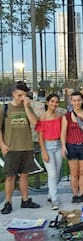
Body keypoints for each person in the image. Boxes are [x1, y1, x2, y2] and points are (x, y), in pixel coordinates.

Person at [0, 81, 40, 214]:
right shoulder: (4, 108)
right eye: (19, 95)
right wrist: (2, 144)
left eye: (24, 95)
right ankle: (8, 202)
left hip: (26, 146)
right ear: (13, 94)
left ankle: (25, 200)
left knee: (24, 175)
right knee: (10, 176)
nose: (21, 98)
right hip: (11, 147)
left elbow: (35, 123)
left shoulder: (26, 107)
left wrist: (27, 107)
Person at [61, 91, 83, 204]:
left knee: (82, 172)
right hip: (71, 146)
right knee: (74, 173)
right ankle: (75, 194)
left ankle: (82, 193)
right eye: (74, 100)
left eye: (79, 100)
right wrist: (63, 146)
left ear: (82, 101)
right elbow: (63, 133)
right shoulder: (66, 117)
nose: (76, 102)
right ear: (71, 102)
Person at [35, 93, 63, 210]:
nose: (54, 104)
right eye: (52, 101)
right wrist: (44, 151)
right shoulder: (43, 117)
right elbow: (40, 136)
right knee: (51, 173)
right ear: (47, 103)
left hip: (58, 145)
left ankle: (50, 194)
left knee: (56, 173)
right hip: (47, 145)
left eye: (56, 102)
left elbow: (62, 133)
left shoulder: (59, 116)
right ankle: (55, 200)